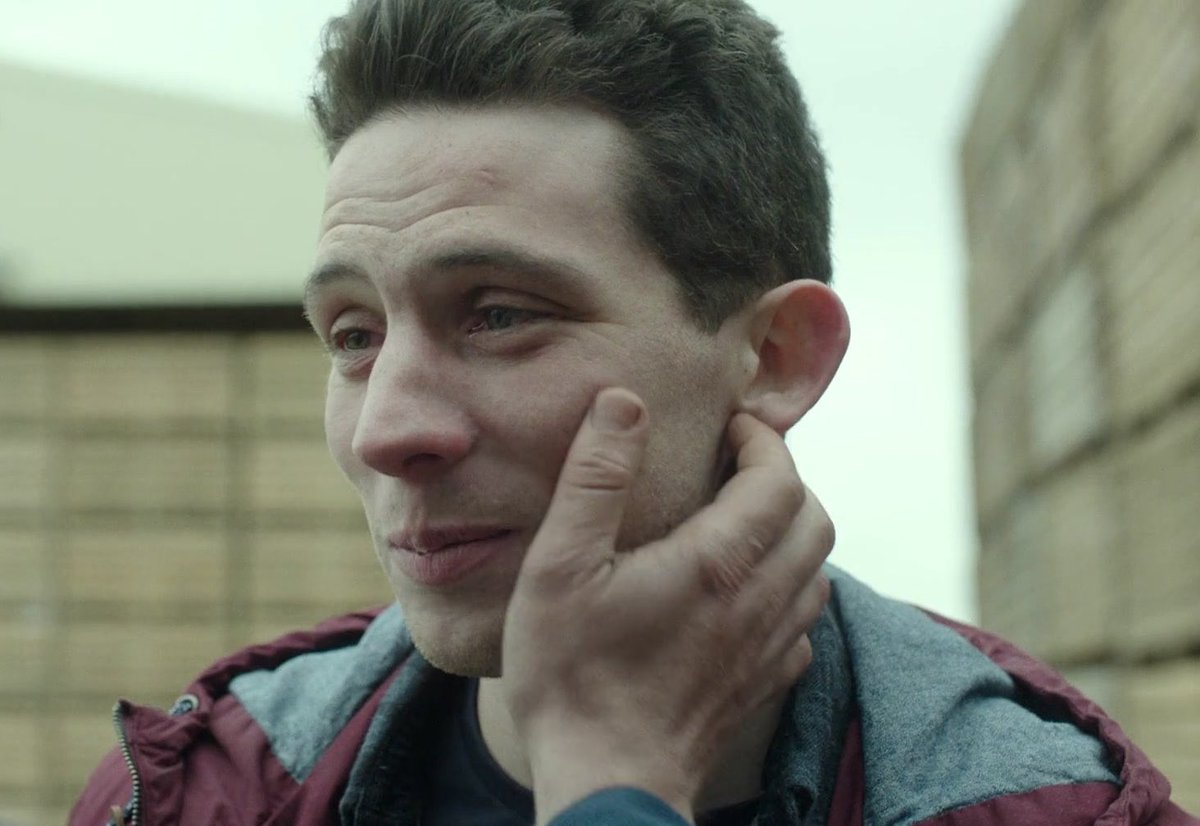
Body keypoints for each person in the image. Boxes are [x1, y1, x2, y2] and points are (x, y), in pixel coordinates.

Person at [71, 0, 1197, 824]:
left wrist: (608, 776)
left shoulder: (1040, 809)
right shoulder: (199, 796)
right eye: (355, 336)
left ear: (774, 357)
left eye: (500, 314)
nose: (386, 431)